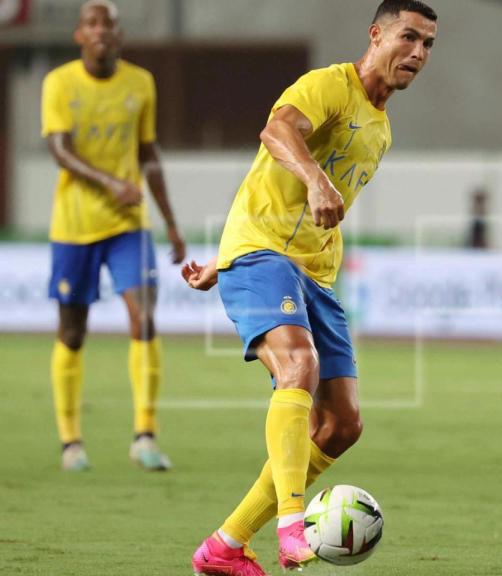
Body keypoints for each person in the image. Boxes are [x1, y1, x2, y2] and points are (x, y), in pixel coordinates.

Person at [179, 1, 437, 574]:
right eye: (408, 37)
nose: (418, 53)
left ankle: (225, 546)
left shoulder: (382, 129)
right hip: (264, 252)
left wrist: (221, 264)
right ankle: (294, 523)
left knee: (343, 424)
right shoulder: (328, 85)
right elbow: (275, 132)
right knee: (299, 366)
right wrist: (313, 184)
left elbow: (285, 196)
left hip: (314, 273)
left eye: (427, 45)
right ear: (377, 34)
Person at [42, 0, 185, 473]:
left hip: (128, 226)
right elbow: (60, 150)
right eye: (91, 23)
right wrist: (111, 184)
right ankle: (70, 441)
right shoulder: (59, 83)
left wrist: (170, 220)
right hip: (75, 225)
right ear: (80, 36)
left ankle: (145, 434)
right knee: (73, 332)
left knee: (144, 319)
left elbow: (148, 152)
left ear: (119, 36)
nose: (100, 30)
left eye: (109, 24)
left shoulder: (140, 83)